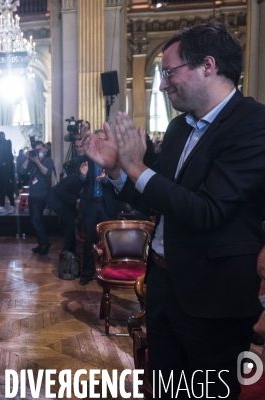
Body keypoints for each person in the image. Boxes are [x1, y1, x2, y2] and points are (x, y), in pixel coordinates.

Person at [83, 22, 265, 398]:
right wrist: (118, 170)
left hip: (214, 300)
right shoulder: (181, 128)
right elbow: (157, 200)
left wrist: (137, 167)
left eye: (169, 73)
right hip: (163, 288)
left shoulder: (253, 124)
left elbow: (207, 211)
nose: (164, 85)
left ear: (208, 66)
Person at [78, 129, 121, 285]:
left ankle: (107, 271)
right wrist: (83, 175)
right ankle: (88, 272)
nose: (102, 141)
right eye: (99, 139)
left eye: (105, 138)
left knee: (109, 241)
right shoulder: (86, 158)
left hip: (107, 205)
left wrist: (106, 180)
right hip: (90, 205)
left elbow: (120, 182)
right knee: (89, 239)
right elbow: (77, 182)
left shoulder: (114, 159)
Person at [19, 141, 54, 255]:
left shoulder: (48, 161)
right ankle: (41, 243)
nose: (38, 152)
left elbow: (47, 173)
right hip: (32, 194)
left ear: (44, 149)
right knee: (34, 220)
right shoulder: (32, 162)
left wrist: (38, 161)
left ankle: (45, 243)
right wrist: (28, 158)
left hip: (42, 195)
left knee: (36, 220)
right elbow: (21, 171)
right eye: (36, 150)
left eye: (40, 149)